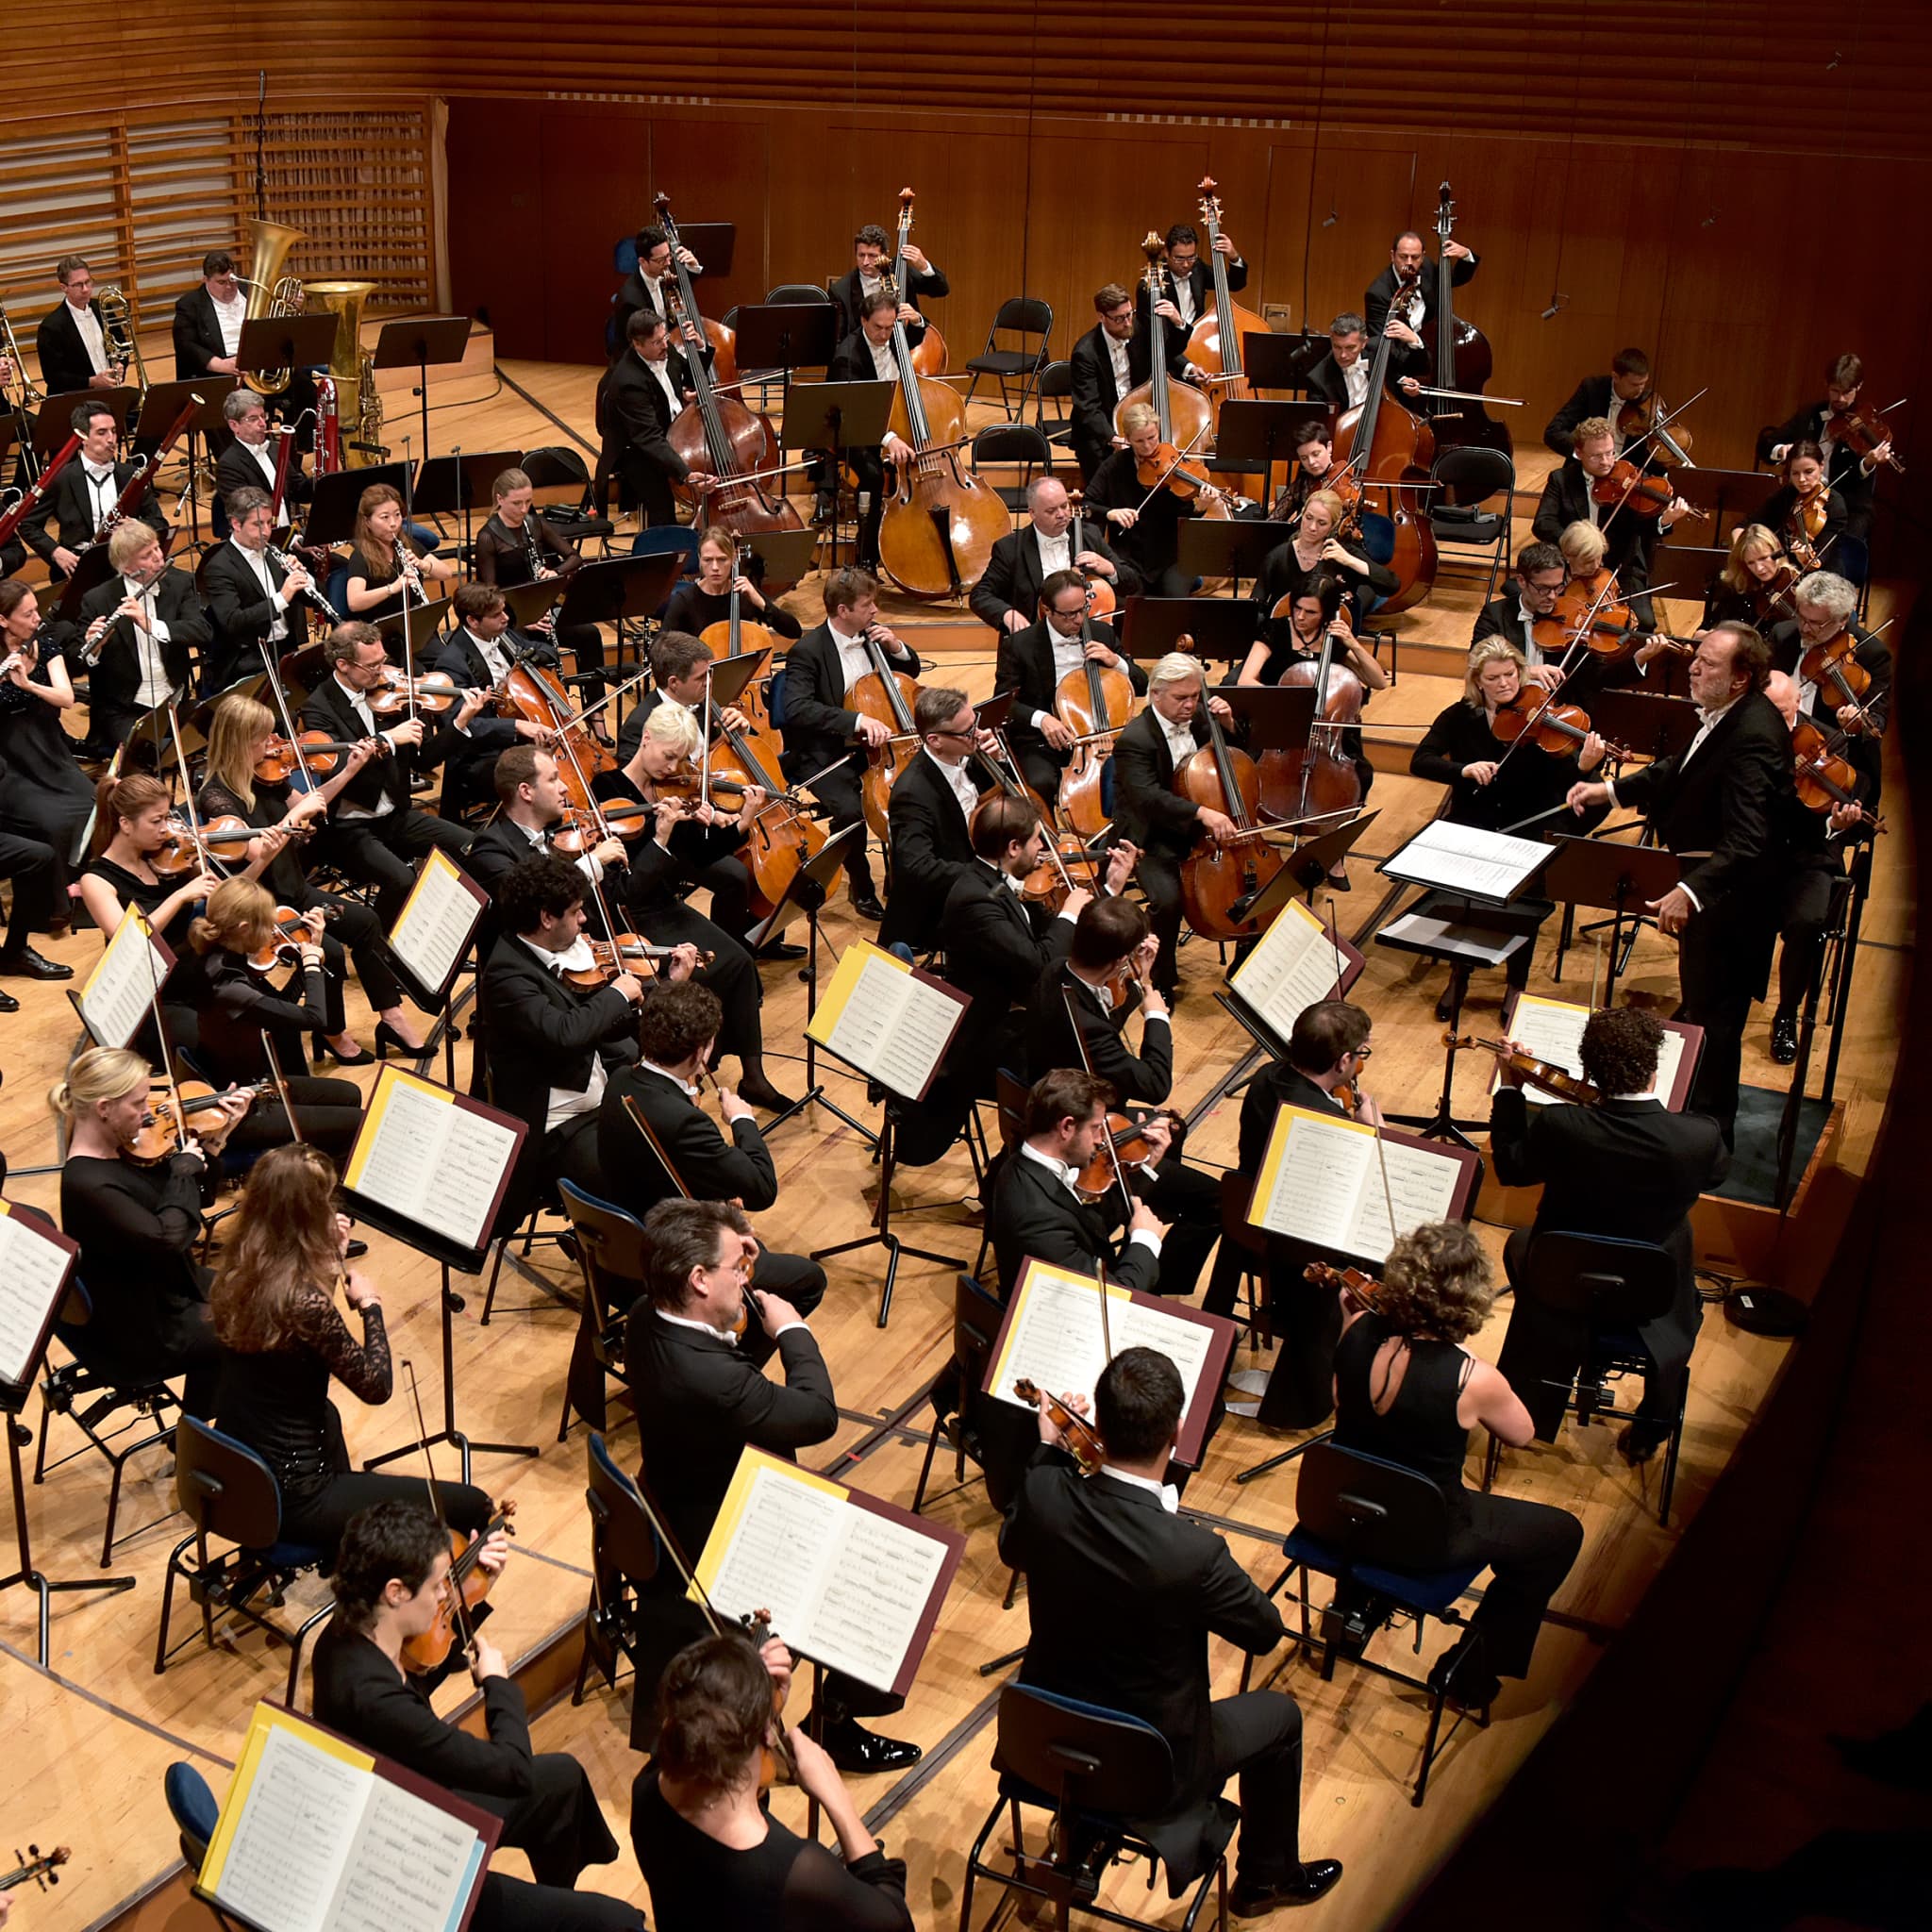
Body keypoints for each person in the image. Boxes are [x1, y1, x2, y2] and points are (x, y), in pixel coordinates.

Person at [1000, 1348, 1342, 1919]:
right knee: (1281, 1717)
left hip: (1044, 1739)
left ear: (1100, 1428)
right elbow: (1265, 1631)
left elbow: (1014, 1544)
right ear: (1179, 1432)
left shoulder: (1043, 1493)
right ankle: (1266, 1878)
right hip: (1151, 1768)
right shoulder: (1192, 1553)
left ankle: (1081, 1843)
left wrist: (1045, 1448)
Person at [625, 1197, 920, 1772]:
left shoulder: (646, 1315)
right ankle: (834, 1719)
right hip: (725, 1533)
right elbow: (817, 1416)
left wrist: (738, 1250)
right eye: (737, 1267)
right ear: (698, 1279)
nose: (747, 1275)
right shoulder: (712, 1379)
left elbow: (734, 1376)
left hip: (677, 1493)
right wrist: (794, 1332)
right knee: (886, 1576)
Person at [312, 1500, 640, 1932]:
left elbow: (423, 1668)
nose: (446, 1592)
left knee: (562, 1778)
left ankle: (557, 1904)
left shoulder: (347, 1634)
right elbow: (514, 1770)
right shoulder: (375, 1703)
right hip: (413, 1865)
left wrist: (473, 1596)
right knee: (614, 1922)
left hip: (415, 1802)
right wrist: (499, 1686)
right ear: (395, 1592)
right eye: (436, 1586)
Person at [1331, 1222, 1585, 1706]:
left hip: (1345, 1513)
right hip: (1426, 1537)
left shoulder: (1355, 1328)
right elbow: (1523, 1434)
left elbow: (1341, 1401)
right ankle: (1468, 1676)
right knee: (1560, 1534)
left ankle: (1355, 1604)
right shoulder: (1474, 1378)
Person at [1566, 623, 1792, 1141]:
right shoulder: (1726, 716)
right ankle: (1697, 1125)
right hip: (1715, 888)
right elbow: (1682, 769)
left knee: (1716, 1023)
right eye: (1696, 657)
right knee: (1702, 1009)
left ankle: (1712, 1141)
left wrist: (1691, 892)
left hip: (1733, 903)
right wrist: (1613, 792)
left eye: (1709, 663)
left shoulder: (1754, 735)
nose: (1692, 667)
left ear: (1741, 678)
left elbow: (1748, 838)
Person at [212, 1145, 493, 1554]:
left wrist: (328, 1262)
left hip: (239, 1467)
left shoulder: (238, 1268)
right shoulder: (302, 1302)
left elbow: (301, 1340)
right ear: (308, 1217)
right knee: (474, 1505)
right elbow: (376, 1386)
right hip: (295, 1495)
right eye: (324, 1202)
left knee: (328, 1413)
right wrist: (370, 1306)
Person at [1490, 1006, 1729, 1460]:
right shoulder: (1697, 1137)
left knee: (1522, 1244)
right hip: (1651, 1295)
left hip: (1562, 1285)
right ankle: (1649, 1428)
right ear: (1655, 1070)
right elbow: (1714, 1176)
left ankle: (1539, 1379)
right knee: (1678, 1241)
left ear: (1589, 1070)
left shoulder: (1562, 1126)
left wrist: (1509, 1088)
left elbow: (1511, 1167)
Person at [1025, 898, 1236, 1307]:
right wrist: (1154, 1009)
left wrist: (1137, 979)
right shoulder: (1088, 1026)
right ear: (1117, 960)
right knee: (1215, 1199)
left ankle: (1151, 1205)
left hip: (1049, 1107)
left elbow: (1100, 1030)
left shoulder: (1056, 973)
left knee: (1172, 1129)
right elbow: (1155, 1083)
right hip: (1084, 1145)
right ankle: (1152, 1284)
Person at [197, 691, 428, 1058]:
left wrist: (350, 770)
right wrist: (293, 819)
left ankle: (392, 1017)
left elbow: (314, 802)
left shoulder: (266, 776)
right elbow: (257, 849)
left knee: (366, 921)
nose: (274, 745)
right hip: (262, 904)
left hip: (294, 888)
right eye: (264, 737)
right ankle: (332, 1032)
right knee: (328, 951)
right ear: (240, 741)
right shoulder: (215, 797)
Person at [632, 1631, 913, 1932]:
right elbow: (894, 1923)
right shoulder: (792, 1870)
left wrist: (761, 1707)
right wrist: (837, 1799)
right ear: (768, 1734)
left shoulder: (649, 1787)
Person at [593, 701, 792, 1108]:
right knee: (699, 972)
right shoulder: (608, 790)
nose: (672, 768)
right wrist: (660, 836)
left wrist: (742, 821)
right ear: (645, 739)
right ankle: (683, 1067)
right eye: (668, 756)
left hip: (664, 905)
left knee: (737, 962)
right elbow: (624, 890)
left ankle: (753, 1077)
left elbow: (697, 856)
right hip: (627, 914)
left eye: (680, 759)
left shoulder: (672, 789)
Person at [596, 978, 827, 1326]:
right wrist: (742, 1121)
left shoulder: (619, 1081)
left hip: (621, 1250)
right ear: (699, 1053)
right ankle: (724, 1362)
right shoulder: (685, 1122)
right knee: (808, 1280)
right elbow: (762, 1189)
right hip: (673, 1262)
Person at [1411, 640, 1607, 1014]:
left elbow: (1561, 784)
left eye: (1511, 674)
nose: (1504, 684)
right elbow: (1421, 761)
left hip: (1527, 825)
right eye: (1493, 678)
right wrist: (1462, 770)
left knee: (1525, 904)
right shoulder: (1458, 717)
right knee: (1465, 901)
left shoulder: (1540, 719)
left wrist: (1583, 766)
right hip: (1474, 823)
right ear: (1477, 682)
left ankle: (1516, 984)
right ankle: (1460, 975)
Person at [55, 1045, 249, 1420]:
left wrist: (214, 1141)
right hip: (138, 1330)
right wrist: (181, 1172)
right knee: (249, 1325)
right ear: (104, 1108)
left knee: (258, 1293)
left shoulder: (123, 1149)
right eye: (139, 1103)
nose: (150, 1114)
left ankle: (214, 1418)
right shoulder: (88, 1183)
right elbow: (167, 1238)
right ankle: (203, 1437)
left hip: (159, 1287)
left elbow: (195, 1198)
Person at [478, 852, 665, 1225]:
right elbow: (565, 1034)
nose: (584, 920)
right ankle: (626, 1265)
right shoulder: (506, 976)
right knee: (634, 1182)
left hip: (595, 1095)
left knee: (671, 1139)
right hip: (556, 1125)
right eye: (577, 911)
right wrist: (616, 994)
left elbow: (591, 1024)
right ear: (547, 918)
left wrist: (657, 992)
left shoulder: (550, 951)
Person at [1222, 999, 1381, 1428]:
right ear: (1343, 1060)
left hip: (1248, 1212)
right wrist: (1370, 1132)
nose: (1360, 1064)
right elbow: (1361, 1190)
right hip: (1296, 1243)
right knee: (1384, 1253)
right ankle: (1332, 1385)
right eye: (1361, 1055)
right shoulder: (1327, 1122)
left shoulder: (1266, 1076)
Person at [298, 622, 480, 924]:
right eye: (372, 665)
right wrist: (387, 739)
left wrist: (460, 722)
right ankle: (377, 947)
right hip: (349, 827)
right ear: (342, 664)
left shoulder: (392, 692)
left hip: (397, 816)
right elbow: (340, 769)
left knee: (473, 846)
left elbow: (422, 762)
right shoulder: (318, 708)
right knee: (403, 880)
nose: (382, 671)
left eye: (383, 660)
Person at [940, 793, 1127, 1085]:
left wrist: (1109, 888)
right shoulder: (975, 900)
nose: (1043, 848)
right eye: (1038, 839)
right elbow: (1040, 963)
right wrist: (1069, 912)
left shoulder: (997, 881)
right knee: (1096, 1061)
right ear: (1014, 847)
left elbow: (1057, 935)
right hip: (989, 1039)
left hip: (1018, 1013)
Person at [184, 879, 368, 1156]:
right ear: (245, 929)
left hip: (255, 1081)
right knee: (359, 1123)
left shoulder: (227, 959)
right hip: (241, 1109)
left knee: (350, 1094)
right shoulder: (229, 986)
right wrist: (311, 964)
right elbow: (315, 1019)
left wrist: (310, 952)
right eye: (268, 925)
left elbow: (282, 1008)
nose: (274, 932)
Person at [777, 567, 921, 921]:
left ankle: (903, 878)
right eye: (867, 604)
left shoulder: (873, 638)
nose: (875, 611)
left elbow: (910, 673)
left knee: (915, 795)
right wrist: (855, 720)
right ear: (843, 611)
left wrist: (897, 648)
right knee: (850, 813)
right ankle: (862, 886)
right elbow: (796, 707)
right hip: (825, 751)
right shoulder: (807, 651)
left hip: (882, 749)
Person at [1108, 652, 1242, 1001]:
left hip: (1197, 829)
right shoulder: (1135, 740)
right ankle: (1160, 981)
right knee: (1167, 902)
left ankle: (1244, 967)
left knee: (1246, 883)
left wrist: (1228, 726)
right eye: (1181, 698)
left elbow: (1241, 760)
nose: (1190, 705)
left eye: (1195, 696)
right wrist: (1203, 813)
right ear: (1155, 694)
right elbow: (1148, 799)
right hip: (1152, 835)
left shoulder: (1201, 719)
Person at [987, 1068, 1166, 1300]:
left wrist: (1146, 1164)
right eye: (1095, 1128)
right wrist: (1145, 1239)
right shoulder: (1037, 1219)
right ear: (1067, 1127)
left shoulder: (1020, 1163)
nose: (1101, 1139)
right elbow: (1113, 1296)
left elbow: (1091, 1227)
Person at [78, 772, 227, 1046]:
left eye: (168, 817)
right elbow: (129, 939)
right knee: (213, 1044)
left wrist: (261, 857)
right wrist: (180, 896)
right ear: (125, 824)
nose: (166, 828)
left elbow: (224, 893)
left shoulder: (166, 858)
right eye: (156, 821)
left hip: (197, 978)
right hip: (152, 999)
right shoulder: (96, 881)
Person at [991, 565, 1144, 804]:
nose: (1079, 620)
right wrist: (1042, 719)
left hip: (1101, 732)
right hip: (1044, 739)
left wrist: (1116, 662)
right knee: (1040, 783)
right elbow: (1003, 702)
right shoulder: (1020, 645)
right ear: (1046, 610)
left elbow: (1142, 684)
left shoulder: (1101, 633)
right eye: (1069, 614)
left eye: (1083, 609)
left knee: (1137, 773)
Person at [0, 581, 96, 924]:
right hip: (10, 763)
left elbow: (67, 698)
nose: (36, 618)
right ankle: (53, 907)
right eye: (27, 614)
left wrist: (28, 685)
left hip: (49, 749)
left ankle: (91, 889)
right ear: (3, 620)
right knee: (52, 821)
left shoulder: (46, 646)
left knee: (93, 804)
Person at [877, 684, 994, 956]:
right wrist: (986, 874)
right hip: (944, 904)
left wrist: (998, 761)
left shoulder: (970, 756)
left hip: (980, 878)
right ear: (935, 740)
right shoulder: (912, 793)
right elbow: (917, 867)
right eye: (967, 732)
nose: (977, 734)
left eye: (975, 722)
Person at [432, 580, 561, 816]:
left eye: (503, 610)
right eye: (496, 614)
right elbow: (465, 725)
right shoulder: (452, 663)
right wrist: (517, 725)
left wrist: (534, 656)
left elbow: (547, 651)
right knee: (542, 778)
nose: (505, 618)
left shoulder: (502, 634)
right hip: (481, 754)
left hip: (518, 740)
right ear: (473, 621)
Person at [77, 521, 210, 750]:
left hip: (174, 701)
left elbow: (202, 631)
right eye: (147, 556)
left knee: (224, 728)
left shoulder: (180, 584)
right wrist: (94, 648)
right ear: (127, 568)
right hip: (126, 710)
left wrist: (152, 625)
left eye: (157, 548)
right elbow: (77, 659)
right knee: (147, 754)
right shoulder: (98, 599)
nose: (159, 557)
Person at [471, 465, 603, 680]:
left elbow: (574, 557)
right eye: (517, 503)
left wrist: (555, 572)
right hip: (511, 617)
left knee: (589, 634)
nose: (524, 509)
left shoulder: (534, 524)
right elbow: (489, 592)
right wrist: (522, 620)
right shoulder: (488, 537)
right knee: (533, 650)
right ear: (500, 499)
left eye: (528, 502)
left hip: (543, 609)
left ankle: (595, 711)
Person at [971, 476, 1137, 640]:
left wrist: (1110, 569)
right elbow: (980, 595)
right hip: (1036, 644)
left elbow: (1132, 583)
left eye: (1064, 506)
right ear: (1032, 513)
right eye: (1051, 511)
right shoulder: (1010, 548)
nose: (1061, 515)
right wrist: (1008, 614)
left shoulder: (1089, 535)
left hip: (1090, 640)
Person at [824, 291, 919, 570]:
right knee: (874, 475)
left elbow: (921, 335)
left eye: (891, 327)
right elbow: (854, 414)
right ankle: (866, 557)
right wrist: (889, 439)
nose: (885, 334)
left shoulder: (897, 336)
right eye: (878, 327)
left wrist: (919, 320)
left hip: (896, 421)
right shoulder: (847, 357)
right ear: (864, 320)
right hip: (854, 430)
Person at [20, 398, 166, 579]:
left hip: (127, 563)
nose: (111, 439)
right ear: (82, 437)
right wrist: (56, 552)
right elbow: (27, 524)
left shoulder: (132, 475)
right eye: (101, 433)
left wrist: (138, 526)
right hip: (78, 566)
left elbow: (159, 522)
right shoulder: (61, 478)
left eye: (113, 431)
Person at [1760, 351, 1893, 546]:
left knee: (1844, 547)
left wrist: (1868, 462)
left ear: (1859, 387)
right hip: (1802, 500)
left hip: (1848, 507)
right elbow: (1766, 445)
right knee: (1767, 534)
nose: (1840, 398)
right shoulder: (1810, 415)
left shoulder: (1864, 426)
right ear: (1826, 385)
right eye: (1835, 391)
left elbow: (1856, 480)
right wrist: (1781, 450)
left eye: (1847, 392)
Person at [600, 308, 714, 528]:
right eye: (656, 342)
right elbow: (649, 437)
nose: (664, 345)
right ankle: (666, 549)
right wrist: (687, 474)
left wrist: (700, 347)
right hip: (637, 451)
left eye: (665, 338)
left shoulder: (662, 347)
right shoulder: (628, 382)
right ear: (637, 344)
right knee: (662, 506)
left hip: (671, 432)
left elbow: (688, 375)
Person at [1067, 281, 1185, 485]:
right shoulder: (1085, 352)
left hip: (1137, 418)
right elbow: (1088, 408)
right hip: (1100, 428)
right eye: (1119, 318)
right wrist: (1114, 439)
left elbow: (1169, 351)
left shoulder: (1138, 329)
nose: (1128, 322)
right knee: (1108, 483)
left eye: (1130, 314)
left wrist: (1178, 322)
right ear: (1102, 317)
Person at [202, 486, 314, 691]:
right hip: (248, 661)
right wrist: (282, 598)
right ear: (236, 524)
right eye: (257, 524)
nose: (266, 532)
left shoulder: (274, 552)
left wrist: (305, 579)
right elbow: (233, 622)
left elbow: (315, 601)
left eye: (269, 523)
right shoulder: (219, 567)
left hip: (286, 652)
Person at [1083, 404, 1201, 599]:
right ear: (1127, 439)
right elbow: (1087, 505)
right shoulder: (1114, 466)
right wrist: (1110, 513)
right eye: (1139, 441)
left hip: (1170, 557)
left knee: (1173, 601)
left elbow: (1185, 515)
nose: (1148, 446)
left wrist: (1201, 507)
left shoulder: (1172, 464)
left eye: (1152, 438)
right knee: (1127, 605)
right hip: (1129, 557)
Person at [1254, 486, 1394, 629]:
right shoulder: (1278, 555)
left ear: (1332, 526)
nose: (1312, 527)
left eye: (1322, 523)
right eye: (1308, 518)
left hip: (1326, 637)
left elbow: (1391, 585)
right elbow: (1256, 605)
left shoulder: (1342, 554)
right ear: (1302, 515)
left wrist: (1349, 560)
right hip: (1282, 636)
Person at [1366, 225, 1479, 388]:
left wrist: (1466, 256)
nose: (1409, 263)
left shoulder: (1425, 268)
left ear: (1423, 256)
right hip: (1402, 369)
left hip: (1431, 360)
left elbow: (1451, 281)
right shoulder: (1378, 293)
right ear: (1392, 256)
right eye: (1403, 257)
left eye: (1415, 257)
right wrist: (1412, 343)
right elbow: (1379, 344)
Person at [659, 525, 801, 651]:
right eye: (708, 560)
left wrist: (760, 602)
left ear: (733, 559)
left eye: (722, 559)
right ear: (699, 559)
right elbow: (660, 648)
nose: (715, 568)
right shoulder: (685, 600)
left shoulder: (744, 593)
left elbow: (794, 631)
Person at [341, 482, 458, 624]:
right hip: (382, 631)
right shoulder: (361, 556)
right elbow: (354, 602)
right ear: (367, 522)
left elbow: (446, 573)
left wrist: (423, 564)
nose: (393, 523)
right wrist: (393, 588)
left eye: (397, 515)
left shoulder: (407, 544)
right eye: (385, 517)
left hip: (416, 622)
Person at [1468, 540, 1572, 687]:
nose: (1552, 596)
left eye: (1558, 588)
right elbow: (1478, 665)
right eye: (1543, 588)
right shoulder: (1496, 614)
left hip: (1556, 704)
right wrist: (1527, 671)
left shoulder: (1568, 618)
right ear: (1522, 581)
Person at [829, 220, 947, 348]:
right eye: (861, 255)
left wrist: (924, 266)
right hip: (863, 360)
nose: (865, 262)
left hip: (904, 352)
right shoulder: (840, 290)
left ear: (885, 255)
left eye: (872, 256)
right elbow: (838, 342)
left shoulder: (900, 270)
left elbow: (940, 290)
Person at [1133, 218, 1248, 337]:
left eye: (1191, 257)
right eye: (1179, 258)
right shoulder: (1150, 285)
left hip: (1197, 344)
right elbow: (1149, 332)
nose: (1186, 264)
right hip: (1170, 348)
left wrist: (1234, 257)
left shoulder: (1197, 268)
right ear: (1166, 252)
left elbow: (1234, 284)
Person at [1752, 441, 1848, 575]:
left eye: (1809, 472)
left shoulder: (1834, 505)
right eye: (1795, 473)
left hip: (1824, 578)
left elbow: (1819, 560)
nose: (1801, 479)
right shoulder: (1787, 494)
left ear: (1821, 466)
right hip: (1786, 571)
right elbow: (1749, 523)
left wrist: (1804, 559)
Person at [1542, 346, 1656, 459]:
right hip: (1588, 468)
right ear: (1616, 377)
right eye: (1634, 385)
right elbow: (1553, 432)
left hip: (1628, 472)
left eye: (1643, 383)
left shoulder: (1648, 404)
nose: (1640, 390)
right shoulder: (1592, 390)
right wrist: (1584, 454)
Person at [34, 257, 124, 398]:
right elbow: (53, 376)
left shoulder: (104, 308)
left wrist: (120, 364)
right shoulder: (50, 327)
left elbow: (121, 344)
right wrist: (92, 382)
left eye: (88, 282)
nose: (86, 289)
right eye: (78, 285)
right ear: (64, 288)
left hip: (112, 390)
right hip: (76, 398)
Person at [212, 388, 308, 511]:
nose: (263, 423)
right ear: (234, 425)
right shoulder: (228, 465)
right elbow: (246, 511)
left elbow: (298, 491)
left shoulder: (275, 449)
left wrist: (320, 479)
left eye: (263, 416)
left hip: (286, 529)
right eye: (253, 419)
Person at [611, 222, 703, 351]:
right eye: (661, 260)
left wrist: (693, 267)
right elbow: (638, 350)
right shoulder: (631, 301)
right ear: (643, 262)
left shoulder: (662, 275)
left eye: (669, 255)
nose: (668, 263)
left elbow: (681, 286)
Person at [1702, 523, 1795, 630]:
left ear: (1777, 552)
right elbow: (1708, 624)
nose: (1759, 568)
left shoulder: (1793, 580)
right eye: (1751, 563)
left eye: (1763, 558)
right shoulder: (1741, 587)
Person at [1301, 312, 1373, 411]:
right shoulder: (1318, 380)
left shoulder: (1380, 353)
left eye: (1350, 348)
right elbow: (1317, 421)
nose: (1343, 355)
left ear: (1364, 343)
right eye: (1337, 347)